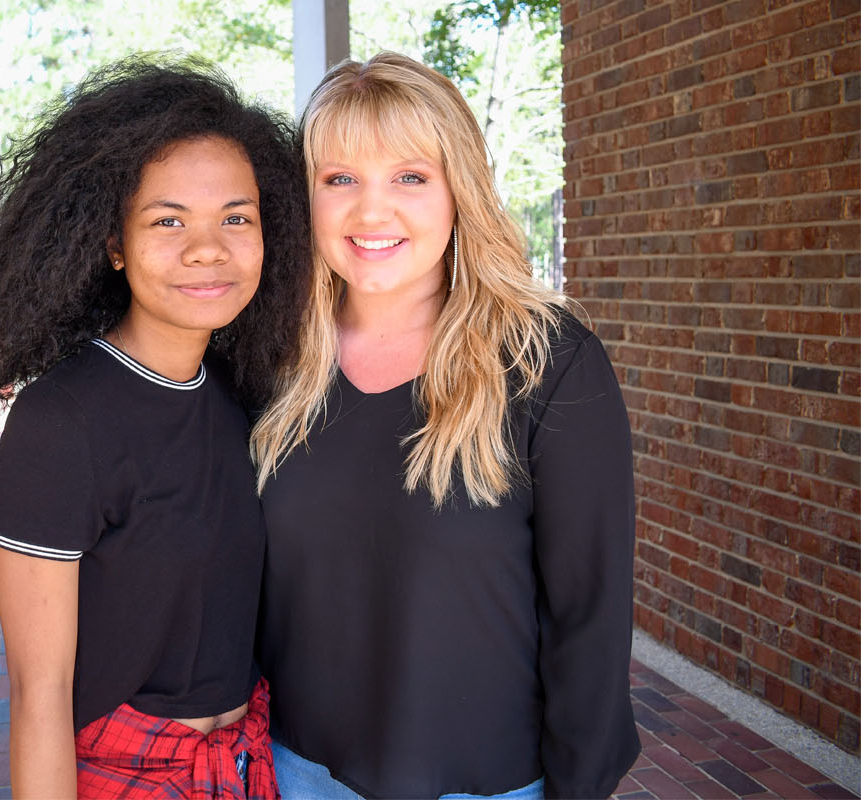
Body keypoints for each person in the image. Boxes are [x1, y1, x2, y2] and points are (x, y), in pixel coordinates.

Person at [250, 52, 640, 800]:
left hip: (485, 783)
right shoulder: (272, 360)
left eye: (410, 177)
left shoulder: (545, 363)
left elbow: (589, 615)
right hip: (296, 771)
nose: (372, 212)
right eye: (340, 179)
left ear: (458, 190)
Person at [0, 56, 309, 799]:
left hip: (246, 769)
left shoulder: (249, 396)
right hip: (123, 775)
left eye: (235, 218)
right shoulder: (62, 420)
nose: (207, 248)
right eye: (167, 220)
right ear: (112, 244)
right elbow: (37, 690)